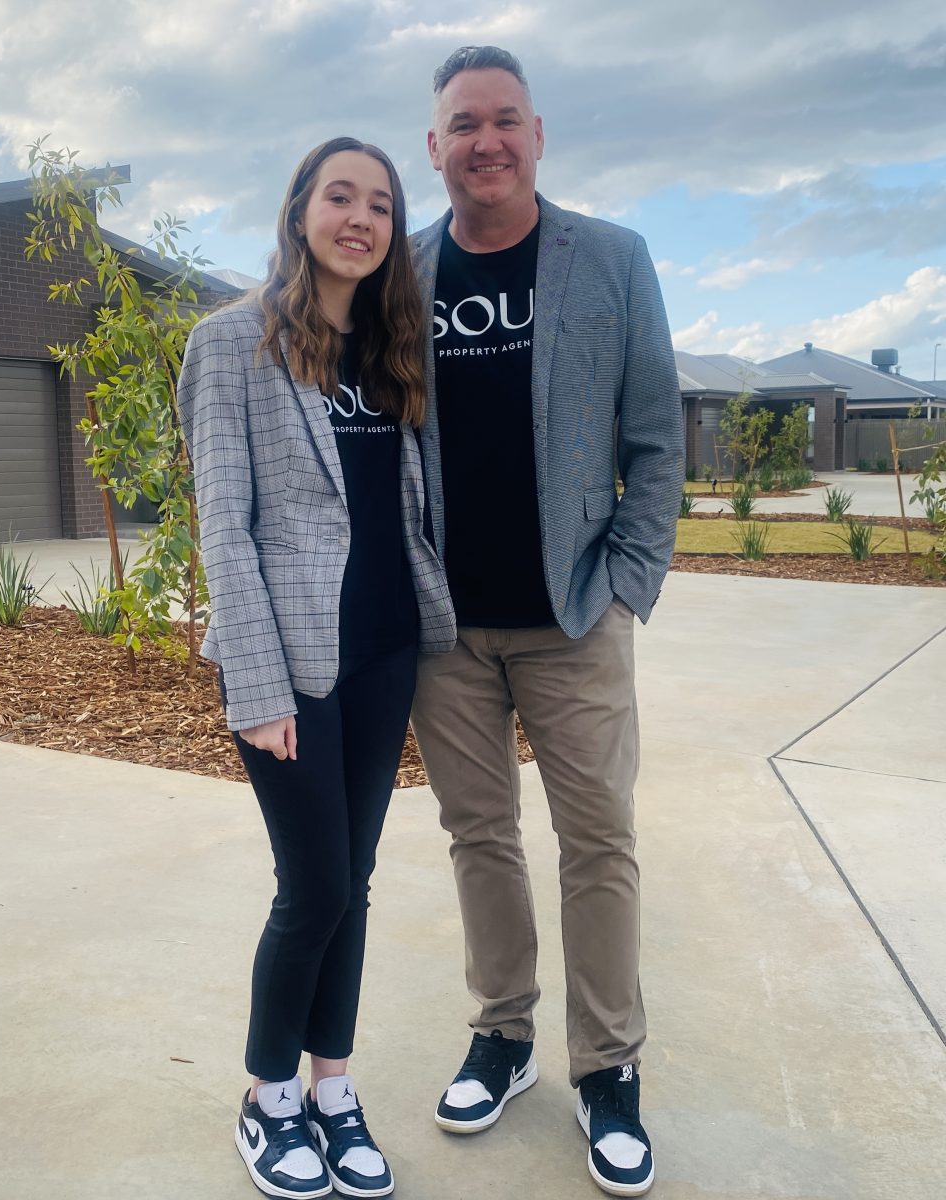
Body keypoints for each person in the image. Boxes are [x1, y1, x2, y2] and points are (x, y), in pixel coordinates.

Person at [408, 46, 684, 1197]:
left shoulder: (611, 260)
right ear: (435, 148)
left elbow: (657, 437)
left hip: (575, 613)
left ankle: (607, 1068)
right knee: (479, 840)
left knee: (598, 843)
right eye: (463, 124)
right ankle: (505, 1035)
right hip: (445, 626)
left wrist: (627, 577)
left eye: (504, 120)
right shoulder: (396, 275)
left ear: (537, 133)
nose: (486, 141)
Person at [177, 136, 456, 1200]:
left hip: (385, 647)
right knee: (316, 884)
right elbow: (224, 527)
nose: (362, 218)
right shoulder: (231, 343)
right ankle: (266, 1098)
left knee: (360, 883)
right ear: (301, 210)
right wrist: (252, 684)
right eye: (341, 196)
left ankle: (331, 1089)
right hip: (290, 661)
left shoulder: (392, 348)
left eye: (380, 204)